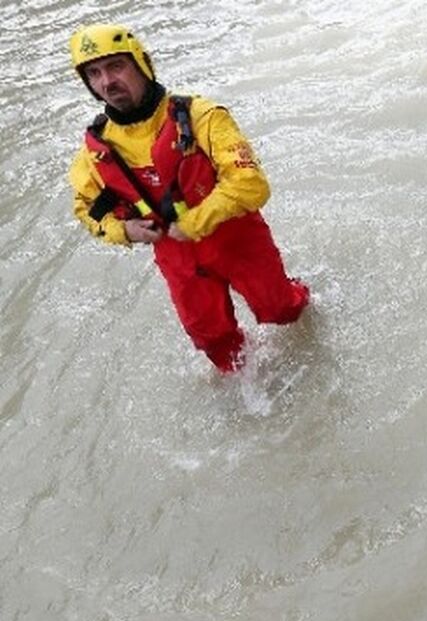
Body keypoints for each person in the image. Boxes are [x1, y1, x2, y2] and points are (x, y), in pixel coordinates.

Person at [67, 24, 309, 373]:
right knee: (214, 342)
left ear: (142, 64)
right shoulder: (93, 155)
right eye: (94, 73)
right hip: (177, 258)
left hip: (236, 239)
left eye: (116, 66)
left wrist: (195, 222)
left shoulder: (202, 117)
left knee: (282, 311)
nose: (107, 82)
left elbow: (252, 184)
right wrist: (125, 231)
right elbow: (86, 210)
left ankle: (305, 306)